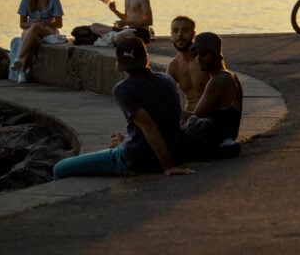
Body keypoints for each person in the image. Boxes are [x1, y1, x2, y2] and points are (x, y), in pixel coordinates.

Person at [53, 37, 194, 179]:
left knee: (60, 168)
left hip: (134, 160)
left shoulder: (123, 89)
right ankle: (125, 143)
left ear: (119, 63)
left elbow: (150, 128)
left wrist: (168, 167)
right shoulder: (166, 80)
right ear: (146, 58)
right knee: (121, 142)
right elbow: (166, 119)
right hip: (166, 151)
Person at [177, 32, 243, 159]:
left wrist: (169, 109)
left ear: (217, 53)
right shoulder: (230, 76)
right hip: (224, 136)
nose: (198, 59)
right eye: (196, 55)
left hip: (215, 140)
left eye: (203, 54)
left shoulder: (218, 81)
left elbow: (194, 117)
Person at [12, 0, 64, 84]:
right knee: (34, 40)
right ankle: (22, 73)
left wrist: (44, 23)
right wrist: (33, 24)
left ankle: (19, 58)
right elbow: (22, 24)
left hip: (48, 30)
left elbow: (59, 24)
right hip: (31, 29)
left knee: (36, 27)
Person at [166, 16, 210, 111]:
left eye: (185, 31)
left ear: (193, 34)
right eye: (175, 31)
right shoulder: (174, 65)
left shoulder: (205, 58)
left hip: (211, 116)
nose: (179, 35)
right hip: (189, 117)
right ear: (171, 35)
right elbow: (165, 95)